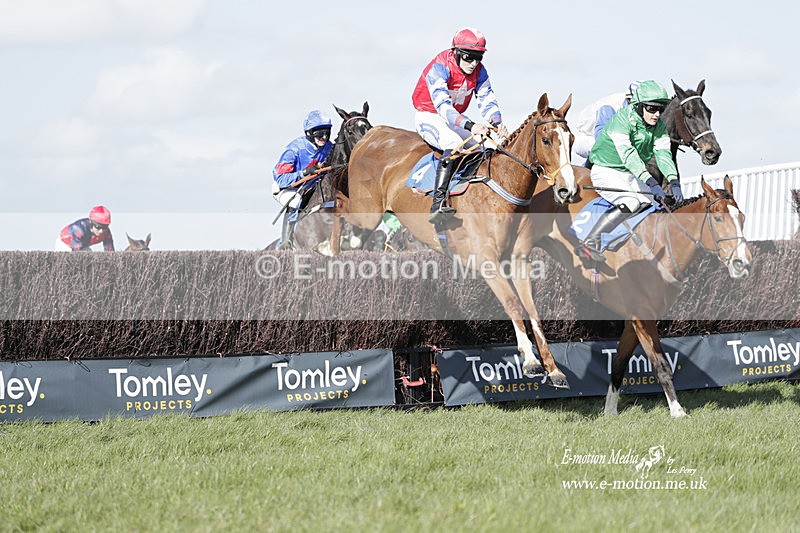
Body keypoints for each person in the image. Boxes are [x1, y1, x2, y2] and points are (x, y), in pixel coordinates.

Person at [575, 80, 684, 262]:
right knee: (632, 202)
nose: (657, 115)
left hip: (628, 173)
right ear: (638, 105)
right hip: (606, 169)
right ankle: (589, 242)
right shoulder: (621, 120)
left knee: (654, 205)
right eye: (651, 109)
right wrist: (651, 182)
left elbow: (663, 154)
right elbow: (629, 156)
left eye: (661, 110)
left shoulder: (658, 127)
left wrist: (674, 181)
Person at [412, 27, 510, 224]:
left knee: (483, 146)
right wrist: (472, 125)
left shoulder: (480, 71)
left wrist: (496, 123)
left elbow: (486, 99)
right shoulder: (439, 67)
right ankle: (438, 203)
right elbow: (443, 108)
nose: (473, 64)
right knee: (454, 142)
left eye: (478, 58)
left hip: (454, 117)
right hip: (428, 115)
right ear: (455, 52)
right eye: (468, 57)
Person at [272, 110, 334, 248]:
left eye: (326, 132)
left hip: (313, 186)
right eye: (319, 133)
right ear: (309, 133)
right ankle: (286, 241)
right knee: (295, 200)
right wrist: (303, 173)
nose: (324, 136)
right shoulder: (294, 150)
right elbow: (281, 179)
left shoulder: (329, 148)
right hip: (288, 187)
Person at [571, 81, 642, 166]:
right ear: (630, 99)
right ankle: (587, 170)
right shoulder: (609, 107)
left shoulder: (631, 106)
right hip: (588, 137)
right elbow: (602, 140)